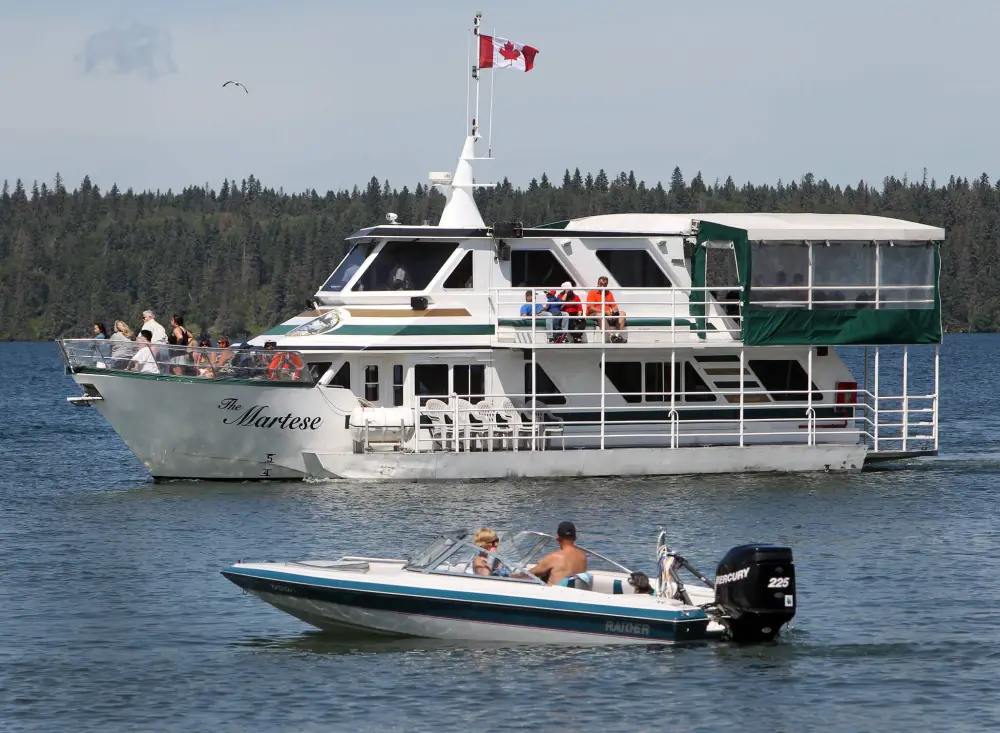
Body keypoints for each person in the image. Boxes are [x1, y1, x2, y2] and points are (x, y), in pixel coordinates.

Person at [525, 522, 587, 586]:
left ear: (557, 537)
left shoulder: (554, 557)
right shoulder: (582, 556)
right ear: (575, 537)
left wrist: (517, 575)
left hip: (555, 592)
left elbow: (529, 574)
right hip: (572, 591)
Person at [586, 276, 627, 342]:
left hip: (607, 313)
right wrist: (605, 312)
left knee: (622, 313)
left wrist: (615, 310)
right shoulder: (592, 292)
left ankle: (617, 336)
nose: (602, 286)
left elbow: (614, 306)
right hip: (595, 314)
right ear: (598, 284)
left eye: (604, 284)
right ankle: (611, 336)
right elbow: (590, 308)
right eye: (601, 284)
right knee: (600, 315)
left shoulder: (608, 293)